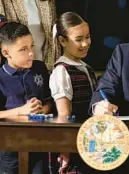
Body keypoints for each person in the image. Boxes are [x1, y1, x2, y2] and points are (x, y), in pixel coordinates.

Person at [0, 22, 52, 173]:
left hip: (40, 143)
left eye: (31, 46)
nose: (31, 53)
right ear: (6, 53)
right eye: (23, 49)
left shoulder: (40, 68)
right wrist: (21, 111)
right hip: (10, 148)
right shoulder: (1, 77)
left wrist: (42, 109)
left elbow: (49, 100)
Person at [49, 12, 98, 173]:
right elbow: (64, 114)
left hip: (88, 142)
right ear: (62, 41)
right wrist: (65, 149)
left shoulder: (86, 67)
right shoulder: (62, 71)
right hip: (73, 144)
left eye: (88, 37)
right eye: (78, 39)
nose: (85, 43)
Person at [0, 0, 57, 70]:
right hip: (16, 71)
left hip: (45, 66)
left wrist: (49, 69)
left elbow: (52, 39)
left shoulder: (48, 3)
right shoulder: (5, 3)